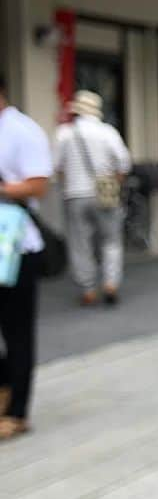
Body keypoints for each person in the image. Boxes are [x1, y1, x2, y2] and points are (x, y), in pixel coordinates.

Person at [0, 73, 53, 440]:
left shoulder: (23, 130)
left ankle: (17, 410)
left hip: (15, 247)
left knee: (17, 330)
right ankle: (4, 388)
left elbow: (38, 184)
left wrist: (4, 188)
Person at [54, 90, 131, 306]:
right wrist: (114, 182)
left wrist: (67, 182)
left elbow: (57, 166)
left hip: (75, 193)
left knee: (80, 242)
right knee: (111, 239)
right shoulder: (108, 132)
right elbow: (124, 163)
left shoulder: (64, 133)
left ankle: (87, 289)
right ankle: (110, 283)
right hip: (106, 190)